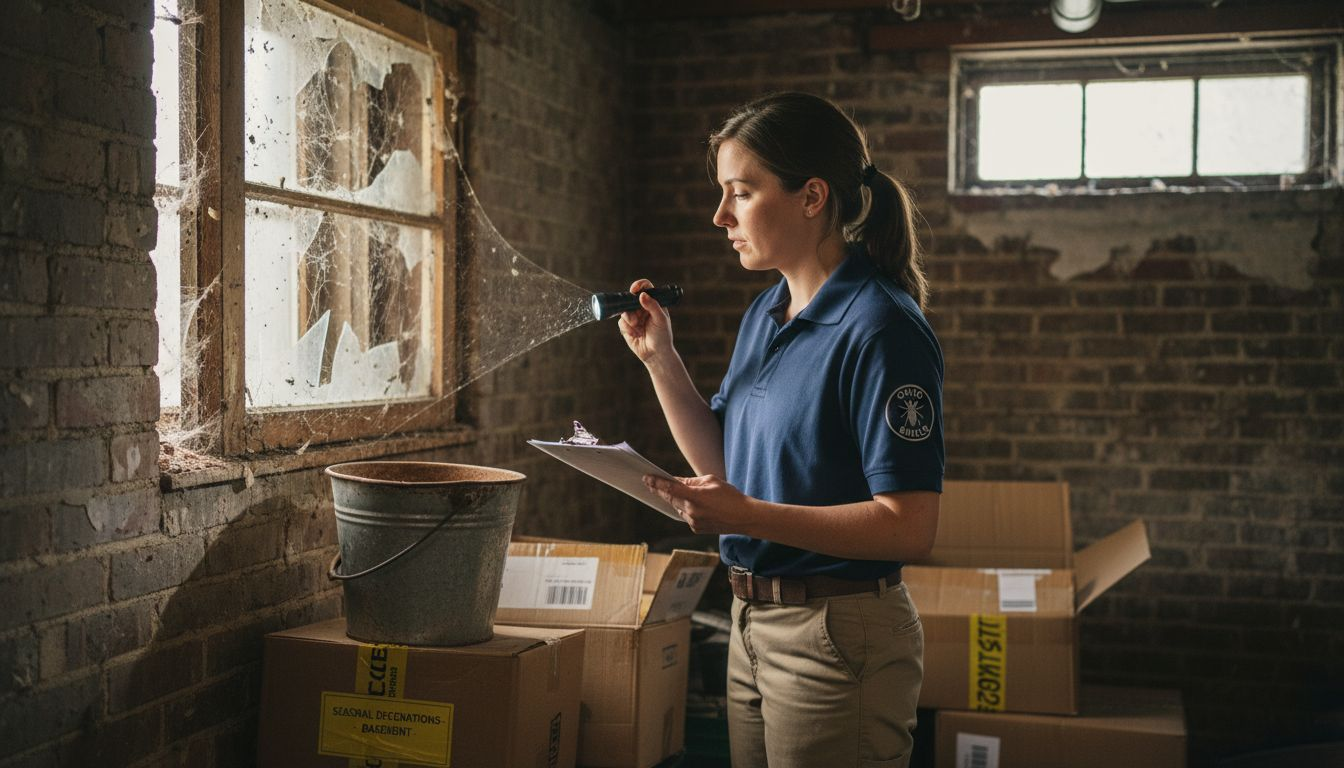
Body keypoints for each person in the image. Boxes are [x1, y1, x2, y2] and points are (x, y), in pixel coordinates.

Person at [618, 91, 944, 768]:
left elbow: (909, 526)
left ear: (811, 196)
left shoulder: (882, 328)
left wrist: (748, 517)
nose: (720, 216)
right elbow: (728, 463)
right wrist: (662, 361)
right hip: (753, 623)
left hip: (838, 633)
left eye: (741, 192)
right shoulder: (766, 313)